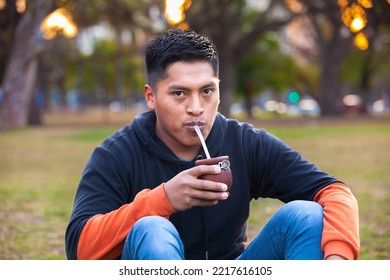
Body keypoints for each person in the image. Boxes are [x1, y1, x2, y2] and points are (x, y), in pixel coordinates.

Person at [65, 29, 359, 260]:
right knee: (152, 228)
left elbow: (333, 192)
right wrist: (163, 199)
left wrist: (336, 260)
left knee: (305, 215)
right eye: (179, 94)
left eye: (207, 91)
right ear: (151, 97)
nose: (196, 108)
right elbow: (80, 251)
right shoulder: (116, 154)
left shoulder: (244, 143)